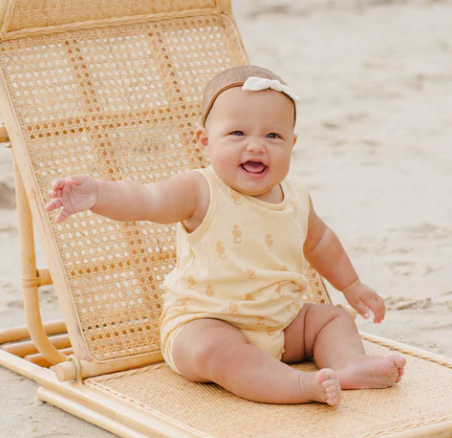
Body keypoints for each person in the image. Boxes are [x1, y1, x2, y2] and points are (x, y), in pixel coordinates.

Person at [45, 65, 406, 406]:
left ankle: (347, 364)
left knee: (332, 319)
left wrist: (352, 285)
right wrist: (99, 194)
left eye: (273, 135)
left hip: (283, 322)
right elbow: (147, 199)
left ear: (292, 143)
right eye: (237, 133)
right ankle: (297, 385)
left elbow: (320, 241)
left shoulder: (295, 195)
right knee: (213, 350)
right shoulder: (200, 190)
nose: (256, 146)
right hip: (207, 322)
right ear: (204, 141)